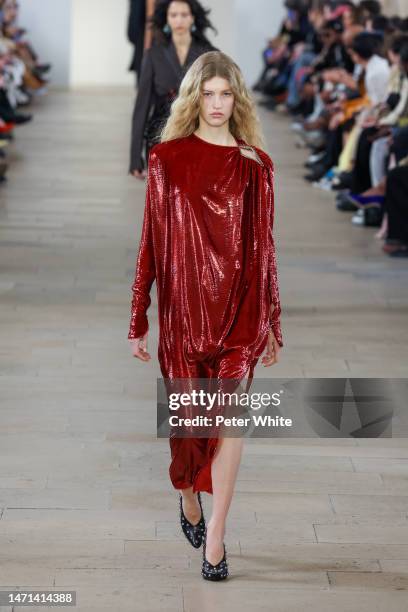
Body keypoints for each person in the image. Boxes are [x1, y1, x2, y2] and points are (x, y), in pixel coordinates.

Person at [127, 50, 284, 580]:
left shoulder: (255, 164)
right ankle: (190, 496)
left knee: (232, 422)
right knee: (190, 429)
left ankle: (216, 534)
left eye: (226, 94)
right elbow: (150, 238)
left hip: (241, 313)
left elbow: (265, 247)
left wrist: (273, 321)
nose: (217, 104)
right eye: (208, 93)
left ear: (237, 99)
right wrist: (138, 314)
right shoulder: (166, 158)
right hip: (184, 313)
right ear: (194, 96)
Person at [129, 0, 217, 178]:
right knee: (164, 201)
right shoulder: (153, 55)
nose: (179, 21)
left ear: (193, 18)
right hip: (160, 138)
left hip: (199, 136)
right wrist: (134, 158)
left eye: (184, 15)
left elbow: (219, 101)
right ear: (166, 19)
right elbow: (142, 107)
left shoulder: (209, 55)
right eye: (174, 15)